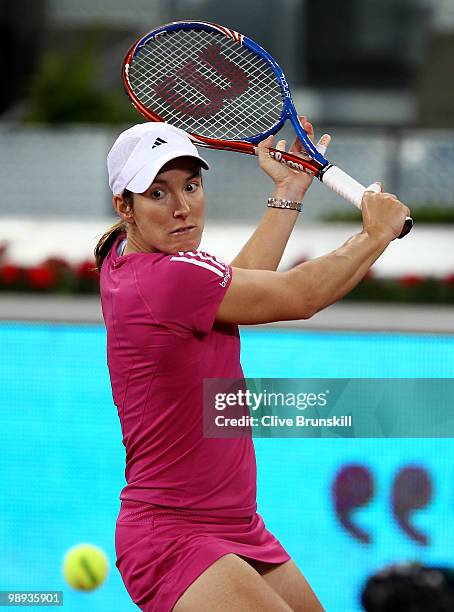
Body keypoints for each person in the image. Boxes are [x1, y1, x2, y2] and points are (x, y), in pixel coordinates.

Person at [95, 121, 410, 612]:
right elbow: (300, 296)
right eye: (157, 193)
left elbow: (240, 286)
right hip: (172, 536)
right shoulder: (169, 278)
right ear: (124, 206)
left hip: (236, 525)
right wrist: (375, 234)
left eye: (191, 186)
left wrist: (288, 191)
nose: (181, 207)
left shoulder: (128, 261)